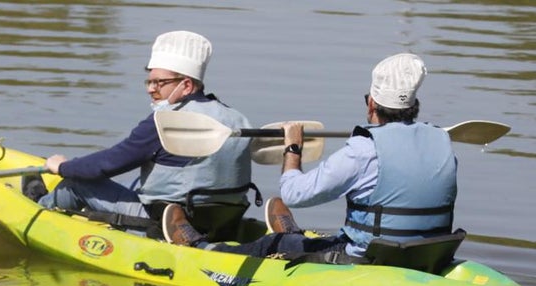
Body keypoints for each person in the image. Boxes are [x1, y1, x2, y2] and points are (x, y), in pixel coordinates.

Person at [162, 53, 458, 264]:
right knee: (315, 238)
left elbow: (294, 194)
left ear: (371, 104)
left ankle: (201, 249)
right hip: (428, 252)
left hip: (369, 257)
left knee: (270, 244)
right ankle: (294, 234)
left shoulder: (363, 150)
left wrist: (293, 149)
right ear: (414, 105)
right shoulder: (442, 140)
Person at [27, 30, 254, 239]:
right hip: (223, 221)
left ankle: (36, 208)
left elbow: (108, 163)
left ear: (185, 85)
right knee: (134, 182)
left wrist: (63, 167)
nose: (150, 88)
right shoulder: (237, 118)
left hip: (167, 222)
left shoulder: (164, 122)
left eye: (159, 82)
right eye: (149, 81)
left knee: (76, 183)